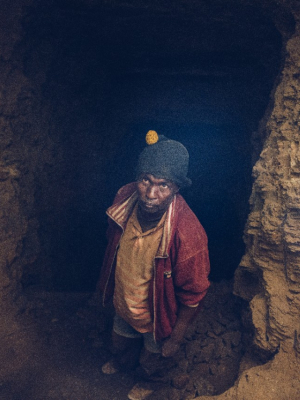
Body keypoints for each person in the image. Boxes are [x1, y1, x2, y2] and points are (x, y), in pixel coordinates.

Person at [97, 130, 210, 400]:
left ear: (177, 189)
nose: (150, 193)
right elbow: (111, 239)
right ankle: (123, 362)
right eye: (145, 180)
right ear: (136, 178)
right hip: (124, 303)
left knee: (154, 358)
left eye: (163, 185)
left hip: (158, 316)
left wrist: (177, 337)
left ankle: (150, 381)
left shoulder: (187, 234)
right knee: (120, 344)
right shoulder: (124, 198)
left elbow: (194, 294)